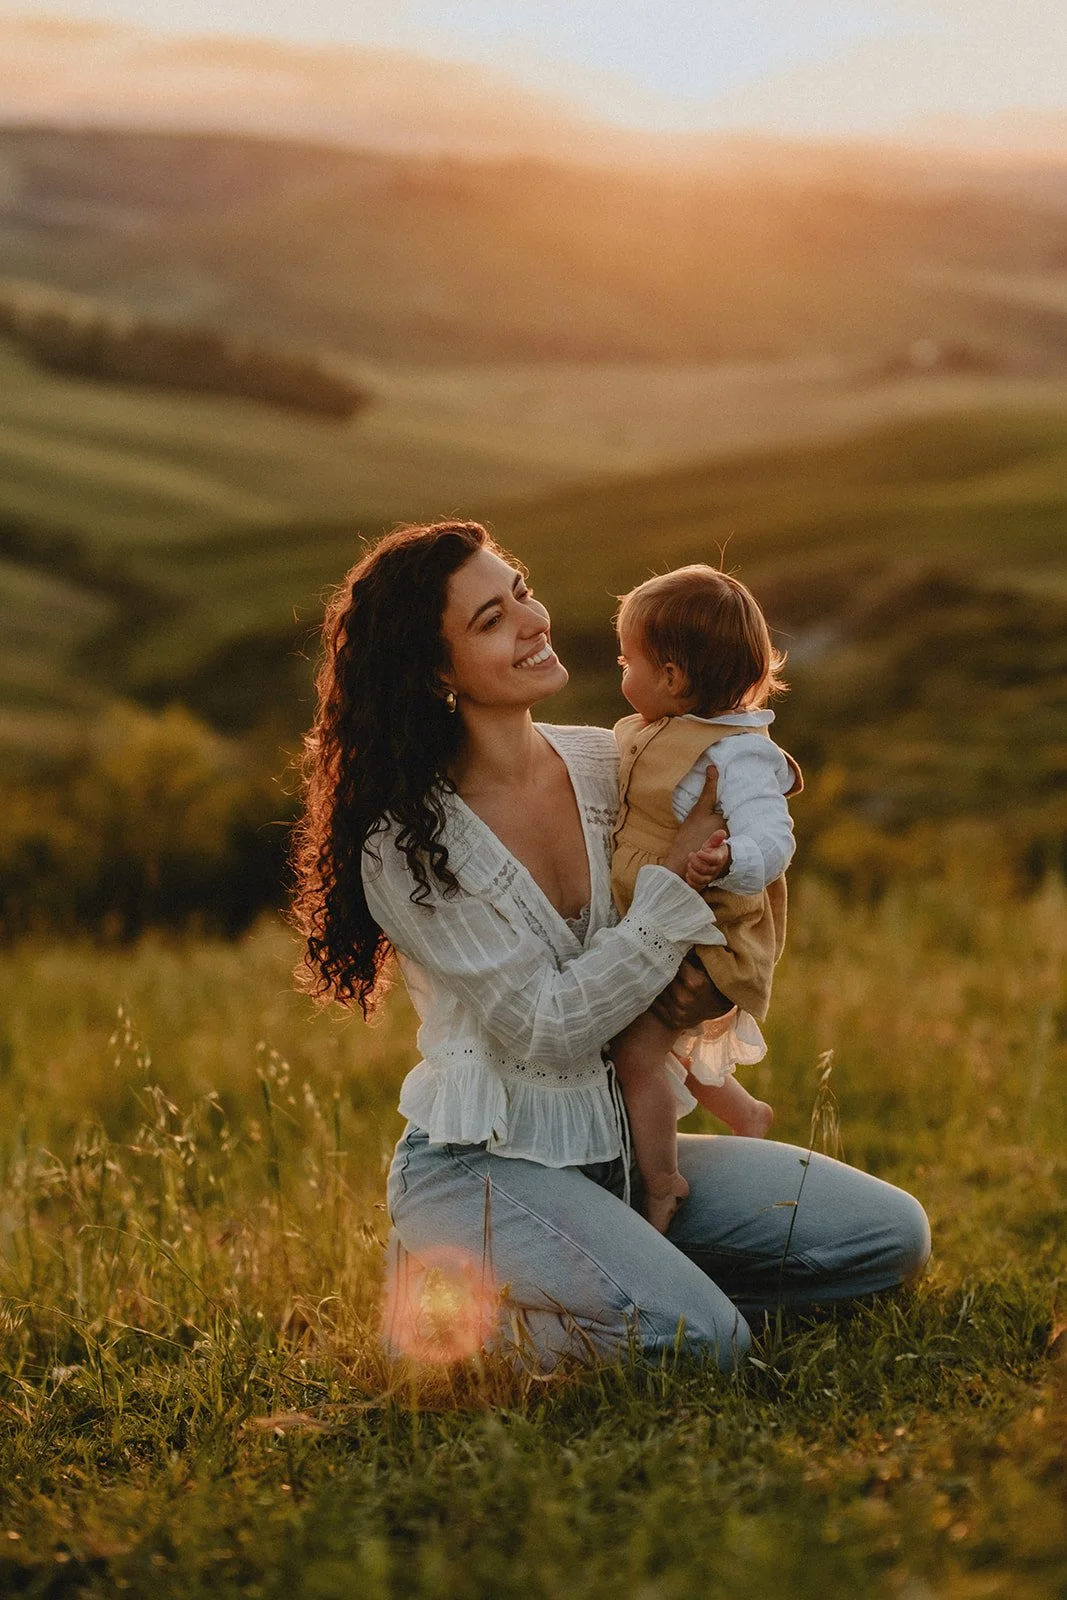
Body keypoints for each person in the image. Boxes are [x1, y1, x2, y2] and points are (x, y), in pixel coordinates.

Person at [290, 520, 930, 1373]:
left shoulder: (610, 761)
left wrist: (712, 969)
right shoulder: (405, 842)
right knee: (707, 1344)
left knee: (887, 1238)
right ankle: (474, 1317)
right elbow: (547, 1029)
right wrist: (671, 895)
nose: (533, 619)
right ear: (435, 671)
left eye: (519, 589)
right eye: (491, 620)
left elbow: (736, 877)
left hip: (620, 1149)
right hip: (483, 1168)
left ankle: (624, 1286)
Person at [609, 565, 802, 1233]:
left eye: (625, 660)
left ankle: (661, 1184)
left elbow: (775, 841)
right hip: (664, 914)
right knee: (661, 1044)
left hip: (709, 928)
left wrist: (727, 860)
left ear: (670, 678)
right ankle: (745, 1114)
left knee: (639, 1052)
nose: (619, 673)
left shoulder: (739, 756)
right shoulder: (650, 730)